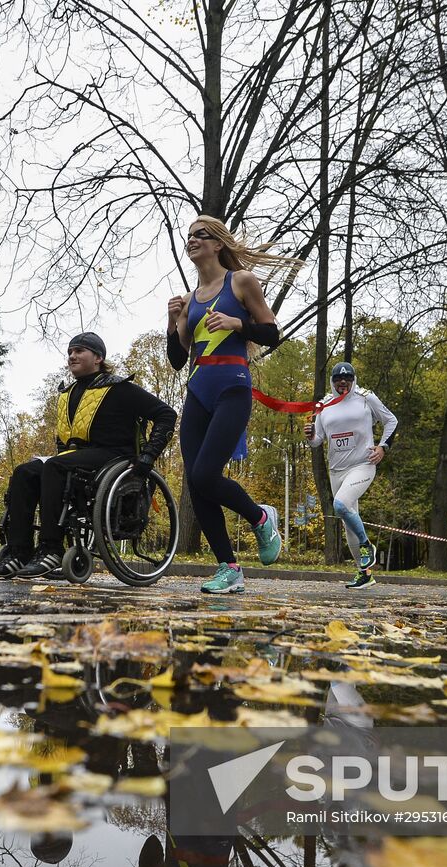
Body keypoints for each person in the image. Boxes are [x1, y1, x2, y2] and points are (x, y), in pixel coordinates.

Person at [166, 216, 301, 594]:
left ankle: (260, 516)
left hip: (233, 387)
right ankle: (229, 568)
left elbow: (272, 333)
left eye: (199, 235)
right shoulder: (191, 299)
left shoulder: (240, 282)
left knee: (207, 474)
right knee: (196, 483)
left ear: (218, 243)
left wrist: (237, 324)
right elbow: (177, 360)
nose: (191, 241)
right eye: (188, 236)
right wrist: (173, 321)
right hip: (198, 391)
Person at [0, 332, 176, 580]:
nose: (72, 356)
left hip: (113, 457)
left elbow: (166, 414)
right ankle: (19, 551)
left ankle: (51, 548)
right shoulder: (68, 393)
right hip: (75, 458)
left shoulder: (121, 389)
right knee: (25, 472)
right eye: (70, 352)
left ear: (98, 357)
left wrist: (149, 454)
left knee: (55, 466)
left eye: (79, 351)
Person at [303, 361, 398, 590]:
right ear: (332, 381)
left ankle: (367, 547)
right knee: (348, 523)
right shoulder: (324, 405)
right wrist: (310, 435)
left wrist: (383, 447)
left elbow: (391, 421)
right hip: (337, 470)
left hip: (363, 465)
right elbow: (318, 441)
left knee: (341, 504)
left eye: (347, 378)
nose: (342, 381)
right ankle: (364, 574)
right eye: (338, 378)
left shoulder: (366, 397)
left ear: (353, 380)